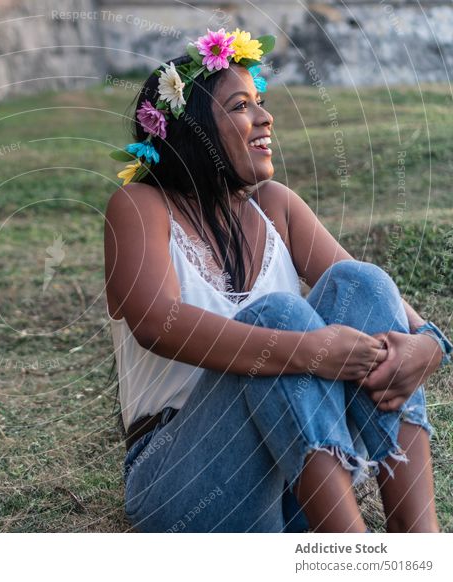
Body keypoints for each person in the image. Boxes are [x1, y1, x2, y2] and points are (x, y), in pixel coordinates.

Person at [103, 27, 451, 533]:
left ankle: (419, 543)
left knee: (362, 281)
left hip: (294, 473)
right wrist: (306, 351)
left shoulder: (276, 207)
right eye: (241, 105)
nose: (265, 117)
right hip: (184, 479)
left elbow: (383, 304)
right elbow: (158, 322)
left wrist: (429, 346)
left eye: (260, 101)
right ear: (194, 128)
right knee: (280, 319)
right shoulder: (139, 206)